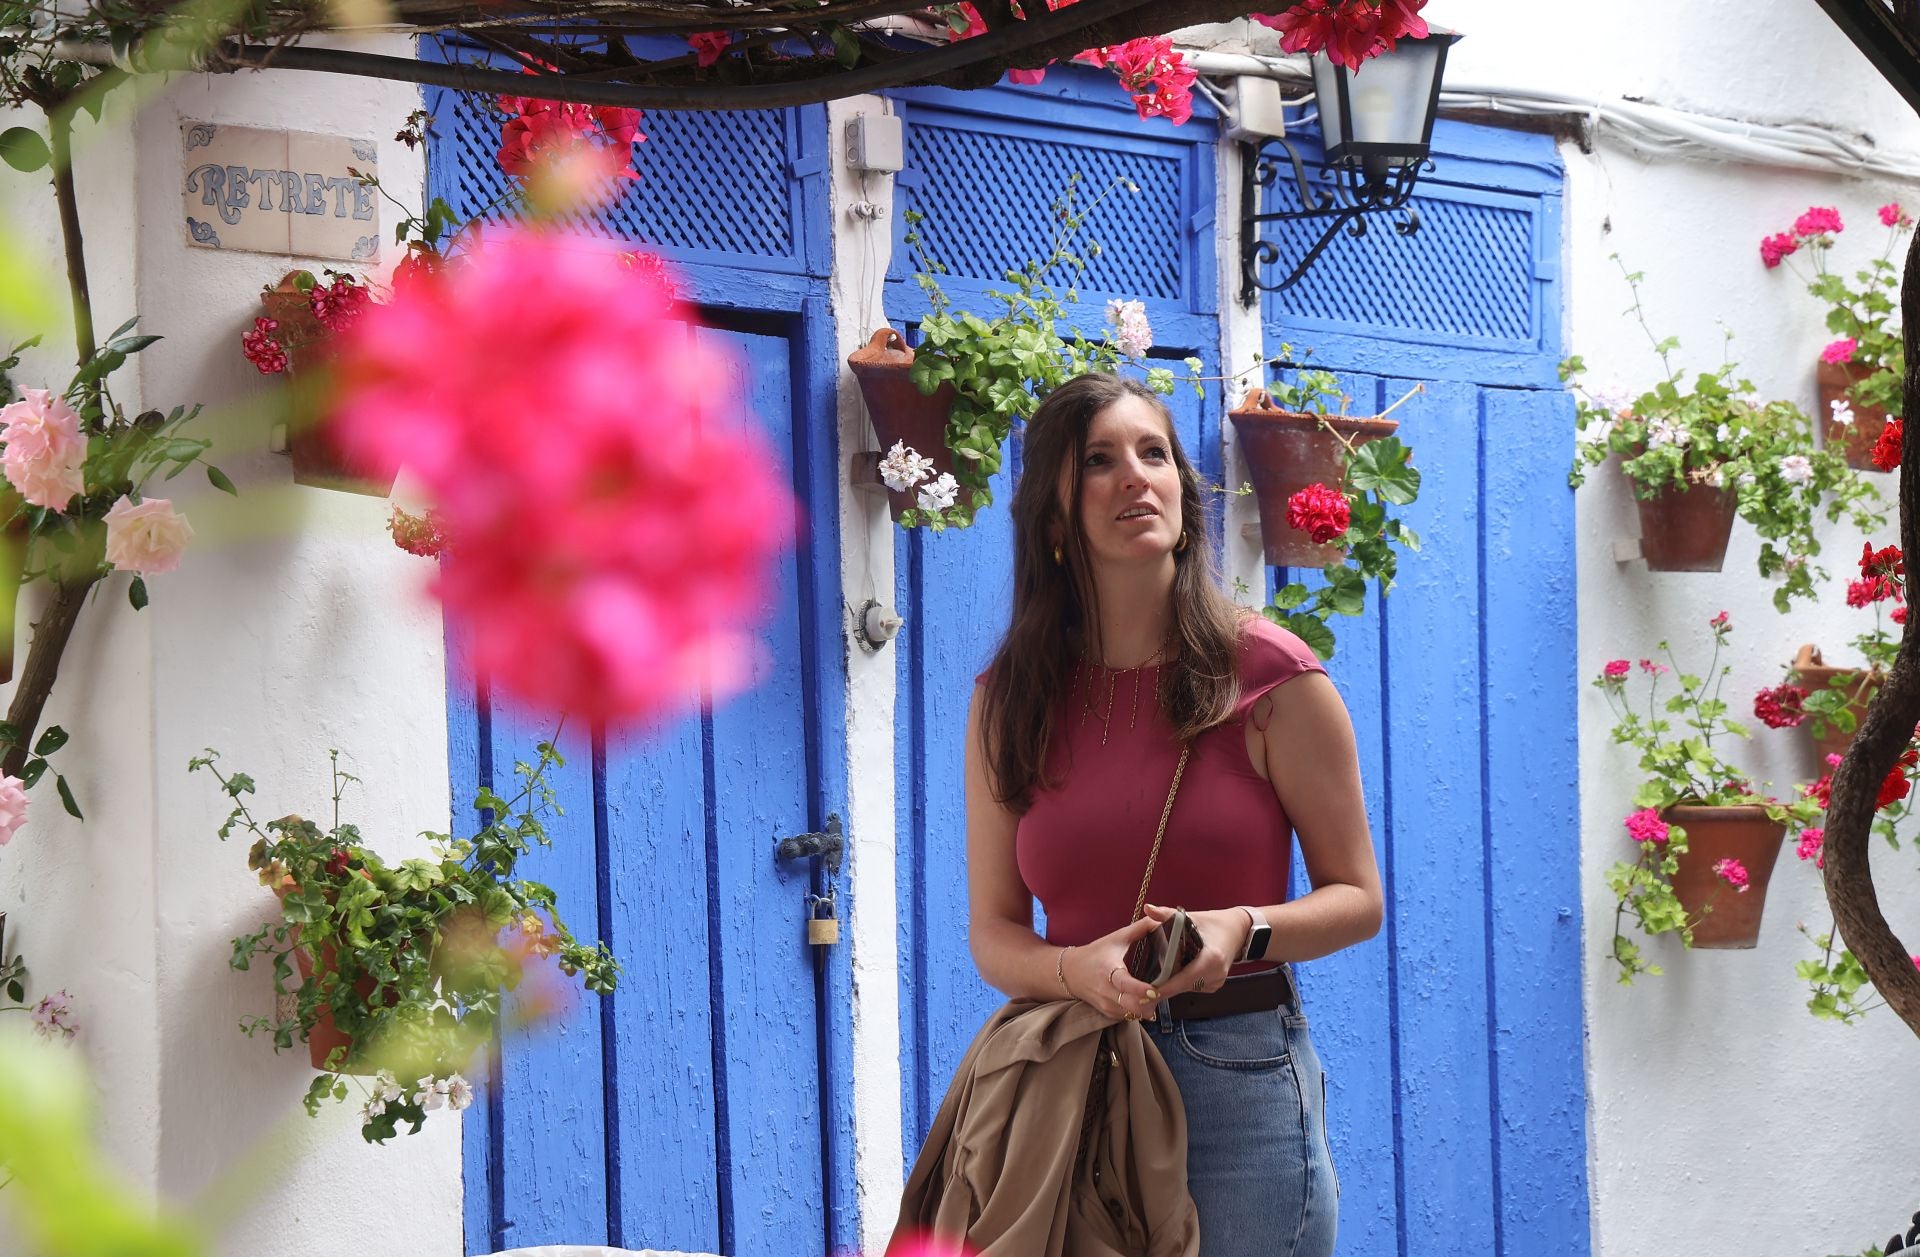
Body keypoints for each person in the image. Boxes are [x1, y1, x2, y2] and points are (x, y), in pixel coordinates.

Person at [964, 371, 1384, 1257]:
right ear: (1052, 519)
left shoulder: (1271, 677)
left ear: (1186, 505)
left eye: (1154, 454)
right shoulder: (1009, 700)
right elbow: (996, 933)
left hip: (1235, 1077)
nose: (1135, 476)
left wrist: (1244, 927)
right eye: (1099, 461)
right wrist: (1075, 969)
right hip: (1070, 1076)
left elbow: (1357, 896)